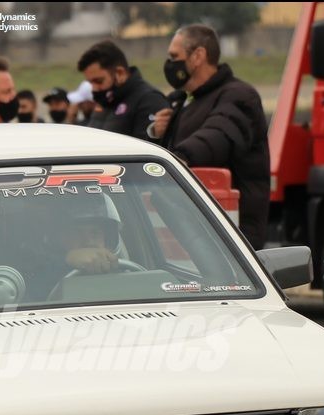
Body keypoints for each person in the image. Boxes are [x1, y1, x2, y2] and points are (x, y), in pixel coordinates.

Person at [148, 24, 270, 249]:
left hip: (234, 233)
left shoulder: (239, 96)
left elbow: (218, 134)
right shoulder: (183, 100)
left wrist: (178, 158)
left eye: (174, 56)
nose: (169, 64)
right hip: (193, 225)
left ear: (198, 56)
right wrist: (157, 135)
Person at [76, 40, 168, 140]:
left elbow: (148, 147)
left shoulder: (149, 100)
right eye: (90, 83)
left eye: (99, 81)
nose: (94, 88)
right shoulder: (105, 100)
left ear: (120, 73)